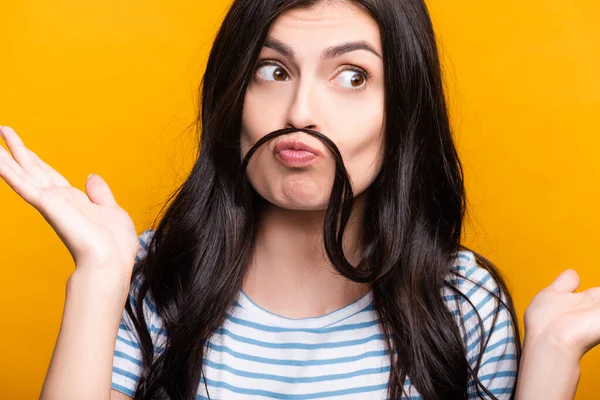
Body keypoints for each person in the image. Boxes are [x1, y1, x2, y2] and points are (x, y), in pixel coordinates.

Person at [0, 0, 598, 399]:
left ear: (405, 110)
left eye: (353, 76)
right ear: (231, 96)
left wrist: (551, 361)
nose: (301, 113)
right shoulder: (152, 281)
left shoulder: (463, 302)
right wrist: (100, 278)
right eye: (272, 70)